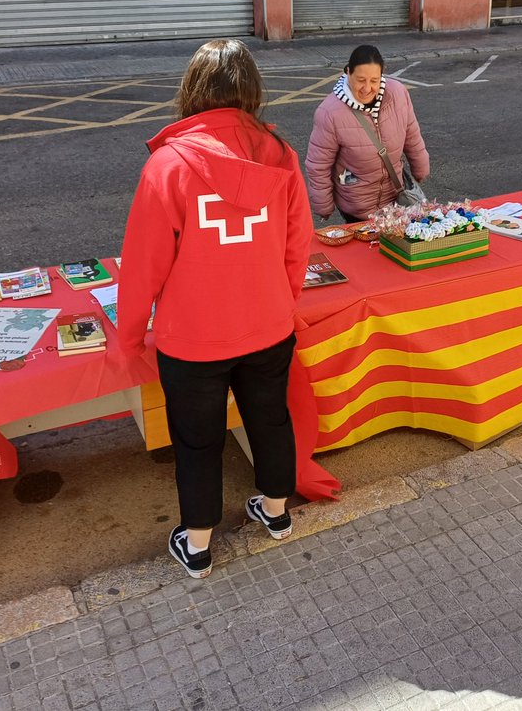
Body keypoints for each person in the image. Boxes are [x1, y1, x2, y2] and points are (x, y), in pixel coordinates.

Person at [117, 39, 313, 579]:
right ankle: (276, 514)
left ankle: (199, 544)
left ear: (192, 92)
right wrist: (280, 301)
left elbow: (143, 266)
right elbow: (298, 247)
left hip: (193, 339)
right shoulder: (281, 155)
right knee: (270, 419)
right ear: (251, 92)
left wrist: (129, 335)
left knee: (198, 438)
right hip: (269, 325)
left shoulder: (169, 166)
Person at [305, 44, 430, 222]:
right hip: (357, 208)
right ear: (348, 72)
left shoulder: (398, 93)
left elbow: (412, 135)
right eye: (361, 80)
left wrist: (421, 168)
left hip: (396, 199)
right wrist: (323, 205)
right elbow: (318, 165)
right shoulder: (329, 113)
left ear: (382, 74)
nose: (367, 88)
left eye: (374, 80)